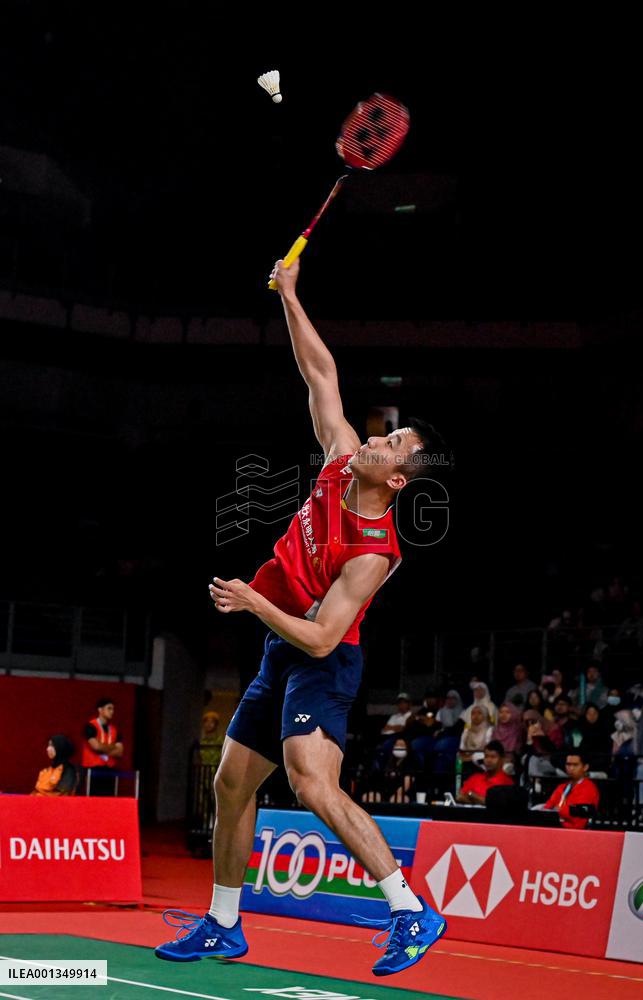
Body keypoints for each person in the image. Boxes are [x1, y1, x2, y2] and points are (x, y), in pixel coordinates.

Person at [156, 257, 447, 975]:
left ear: (399, 479)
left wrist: (255, 601)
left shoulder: (373, 553)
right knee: (229, 783)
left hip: (325, 658)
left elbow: (321, 634)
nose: (374, 439)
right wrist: (289, 295)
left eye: (391, 444)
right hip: (281, 652)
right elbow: (320, 374)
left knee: (310, 781)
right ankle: (224, 922)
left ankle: (410, 909)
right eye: (382, 433)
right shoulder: (338, 462)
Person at [542, 751, 600, 829]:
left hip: (576, 831)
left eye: (575, 765)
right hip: (556, 826)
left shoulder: (589, 788)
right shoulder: (562, 787)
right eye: (568, 764)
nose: (571, 768)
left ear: (585, 767)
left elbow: (577, 815)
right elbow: (548, 807)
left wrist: (558, 810)